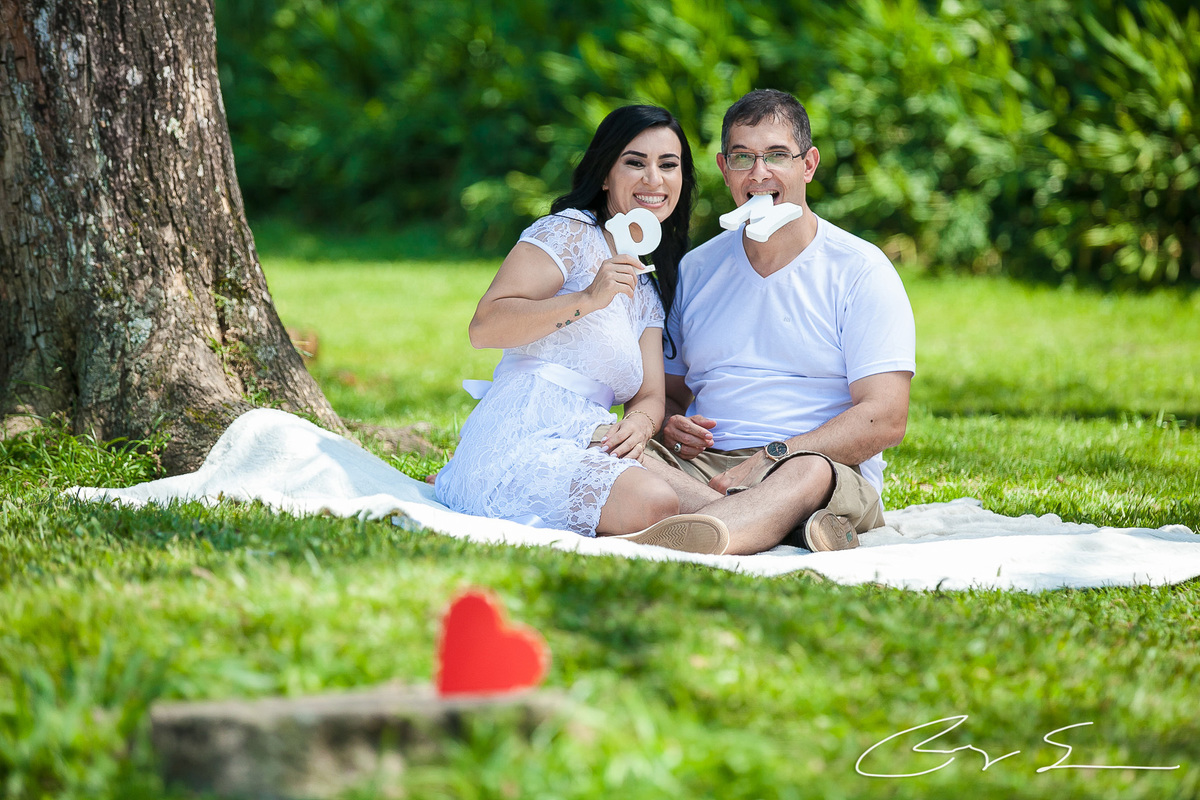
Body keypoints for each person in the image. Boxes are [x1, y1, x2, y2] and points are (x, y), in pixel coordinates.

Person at [435, 105, 729, 554]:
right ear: (605, 174)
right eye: (635, 162)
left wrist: (641, 422)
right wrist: (588, 299)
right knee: (657, 500)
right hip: (525, 429)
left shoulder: (646, 283)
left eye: (668, 166)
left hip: (591, 436)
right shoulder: (568, 232)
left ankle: (757, 522)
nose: (654, 179)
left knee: (689, 497)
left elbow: (650, 393)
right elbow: (484, 326)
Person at [643, 89, 916, 556]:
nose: (759, 173)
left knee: (806, 475)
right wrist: (670, 423)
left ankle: (702, 530)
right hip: (704, 466)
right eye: (743, 157)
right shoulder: (697, 269)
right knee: (599, 442)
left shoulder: (859, 269)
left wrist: (772, 457)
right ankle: (778, 525)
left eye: (776, 156)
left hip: (816, 465)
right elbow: (670, 393)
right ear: (723, 167)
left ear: (808, 165)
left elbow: (886, 417)